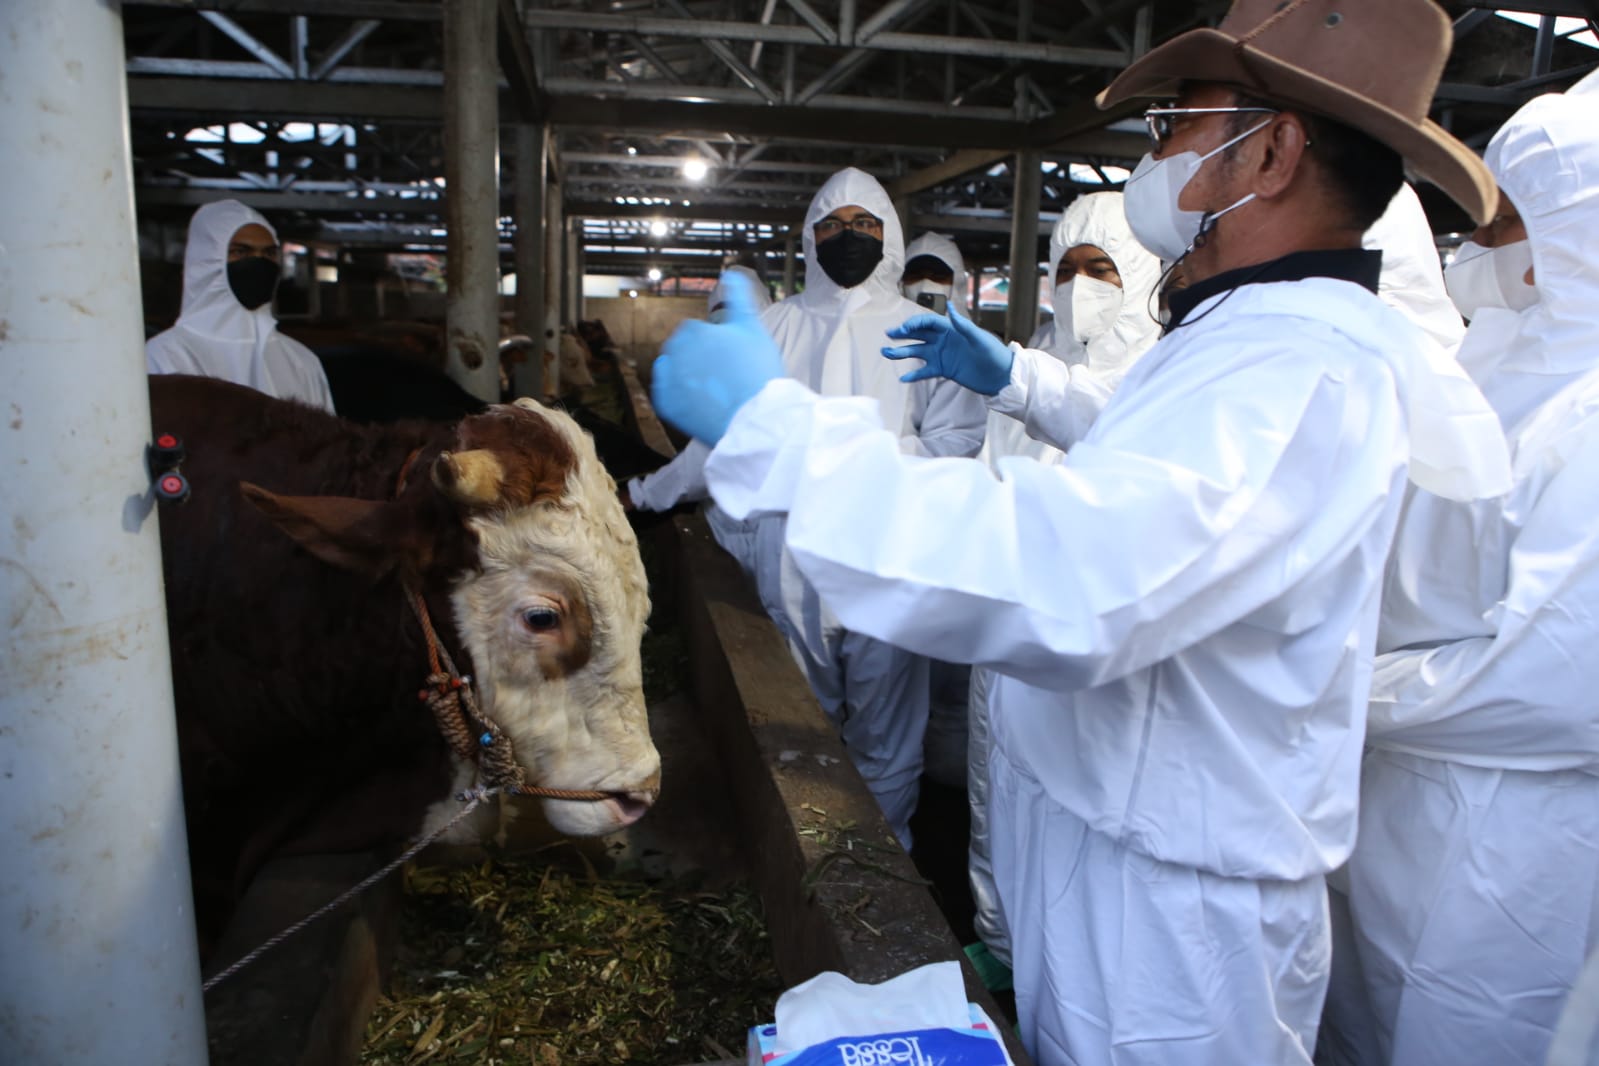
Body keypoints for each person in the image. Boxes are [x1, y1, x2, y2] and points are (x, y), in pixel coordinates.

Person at [647, 1, 1512, 1062]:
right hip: (1126, 850)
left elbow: (1078, 570)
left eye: (1183, 122)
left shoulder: (1304, 369)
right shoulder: (1247, 337)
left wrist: (778, 437)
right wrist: (1022, 378)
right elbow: (1160, 478)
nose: (1159, 152)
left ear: (1274, 151)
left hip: (1171, 912)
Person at [1325, 72, 1599, 1066]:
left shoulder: (1591, 409)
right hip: (1397, 790)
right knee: (1360, 1024)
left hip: (1510, 844)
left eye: (1510, 222)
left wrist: (1353, 679)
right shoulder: (1499, 361)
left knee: (1466, 1030)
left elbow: (1562, 689)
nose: (1477, 246)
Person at [634, 169, 987, 848]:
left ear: (887, 236)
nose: (846, 237)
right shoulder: (774, 327)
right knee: (802, 716)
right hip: (791, 554)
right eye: (830, 225)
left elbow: (956, 444)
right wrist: (646, 493)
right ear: (808, 237)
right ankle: (810, 852)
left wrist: (873, 460)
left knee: (887, 725)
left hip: (889, 553)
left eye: (863, 225)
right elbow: (723, 439)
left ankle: (885, 860)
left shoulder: (925, 333)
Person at [146, 199, 335, 412]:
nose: (258, 262)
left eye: (269, 253)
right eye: (241, 252)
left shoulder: (301, 361)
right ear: (208, 261)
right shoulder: (166, 356)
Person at [902, 232, 970, 315]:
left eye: (938, 277)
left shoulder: (964, 328)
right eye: (916, 276)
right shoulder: (887, 326)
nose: (925, 286)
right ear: (902, 282)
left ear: (957, 282)